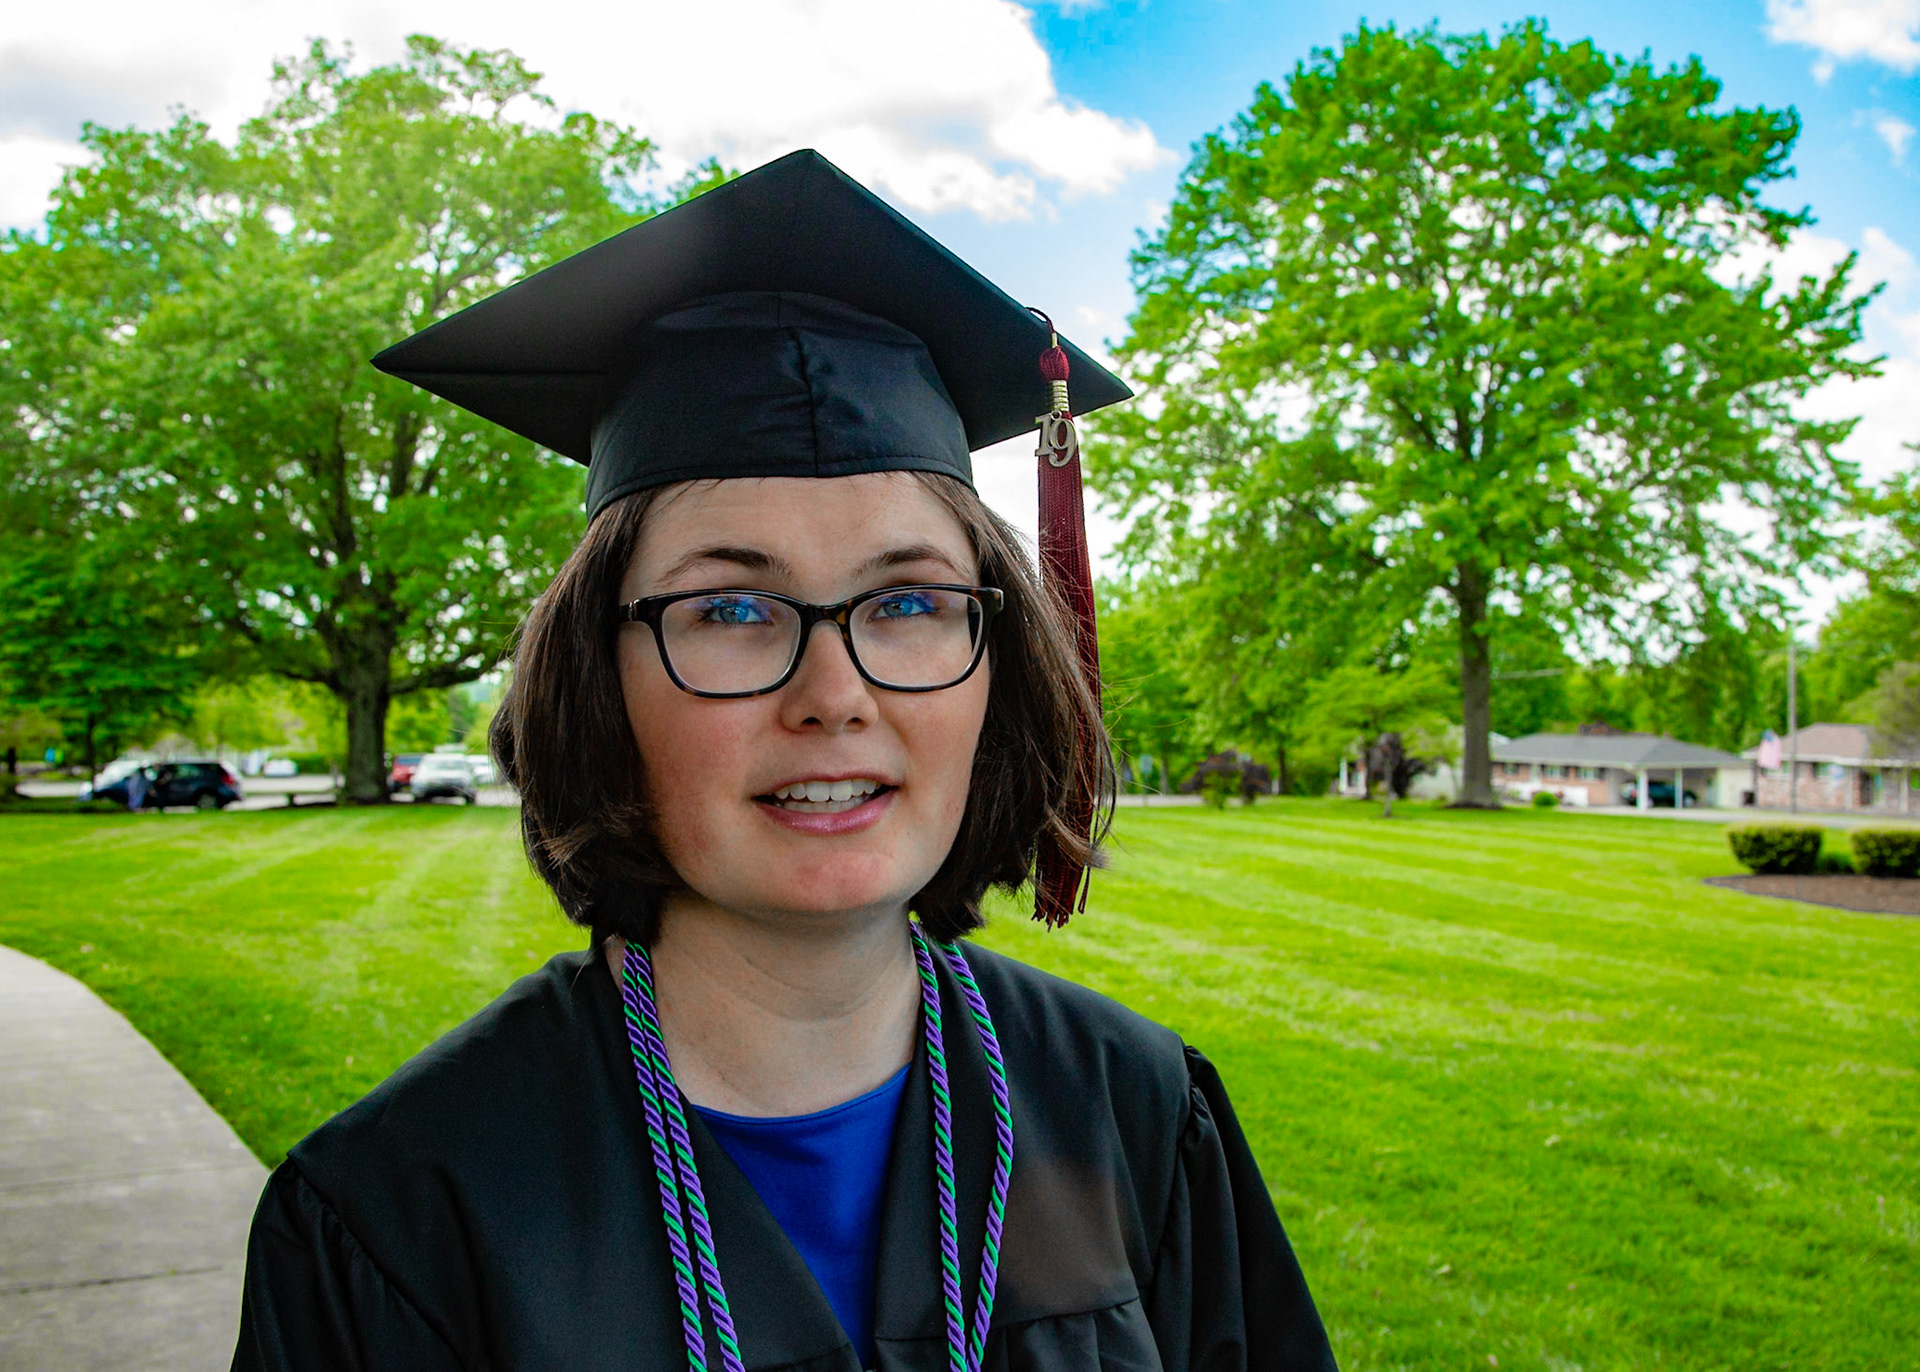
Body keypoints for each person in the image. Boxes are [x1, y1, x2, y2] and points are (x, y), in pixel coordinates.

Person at [231, 150, 1336, 1372]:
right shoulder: (401, 1216)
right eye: (733, 612)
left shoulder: (1134, 1114)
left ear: (997, 664)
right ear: (600, 680)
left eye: (909, 603)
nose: (836, 697)